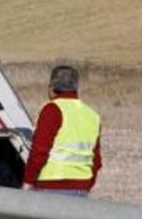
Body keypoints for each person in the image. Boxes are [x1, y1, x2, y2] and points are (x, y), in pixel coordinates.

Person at [22, 65, 102, 196]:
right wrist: (85, 185)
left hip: (51, 186)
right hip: (81, 187)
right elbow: (96, 160)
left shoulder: (52, 110)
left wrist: (28, 182)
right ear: (76, 88)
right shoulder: (92, 115)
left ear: (51, 88)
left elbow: (39, 152)